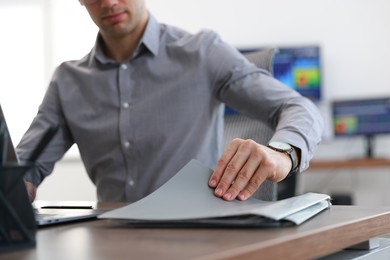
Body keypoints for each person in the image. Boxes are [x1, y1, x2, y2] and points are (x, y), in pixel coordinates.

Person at [17, 0, 324, 203]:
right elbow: (23, 168)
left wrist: (283, 154)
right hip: (109, 241)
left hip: (197, 239)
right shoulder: (69, 82)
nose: (108, 2)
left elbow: (297, 108)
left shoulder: (203, 53)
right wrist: (15, 189)